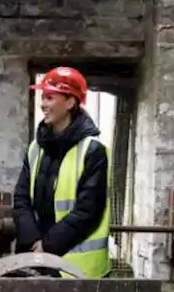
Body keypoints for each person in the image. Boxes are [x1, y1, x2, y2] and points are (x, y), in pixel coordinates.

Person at [11, 66, 112, 278]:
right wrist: (32, 241)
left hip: (77, 269)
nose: (43, 104)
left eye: (49, 98)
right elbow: (21, 199)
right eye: (42, 97)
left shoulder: (92, 151)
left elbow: (87, 211)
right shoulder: (36, 148)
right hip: (36, 259)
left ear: (70, 102)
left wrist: (47, 246)